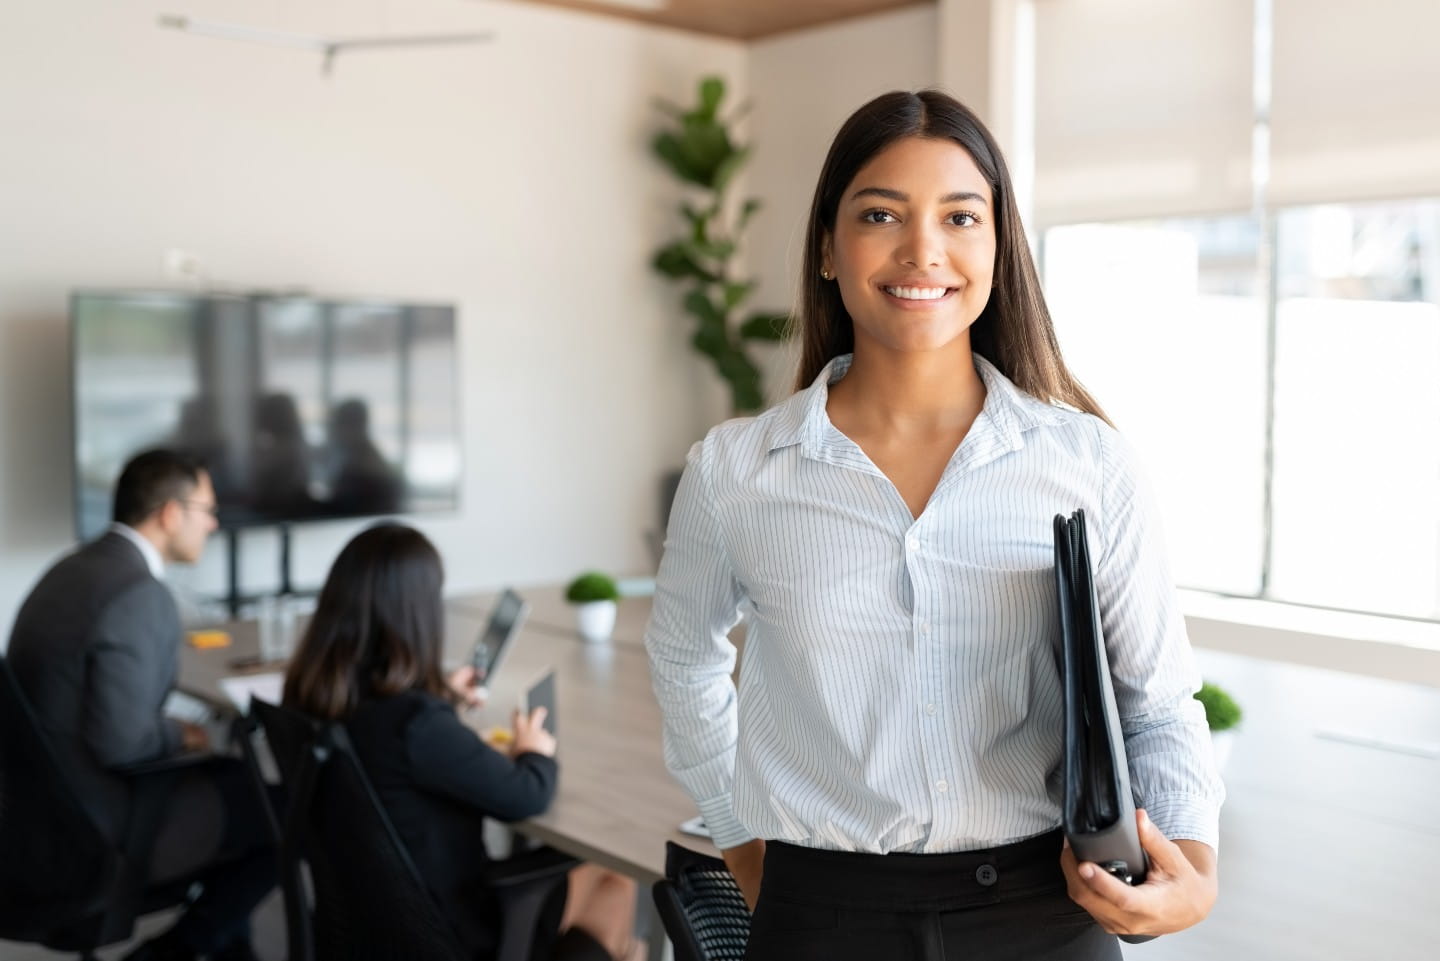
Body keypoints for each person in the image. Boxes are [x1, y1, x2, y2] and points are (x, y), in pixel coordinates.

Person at [644, 90, 1225, 961]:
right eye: (881, 214)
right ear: (829, 250)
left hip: (1045, 912)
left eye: (961, 216)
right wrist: (740, 839)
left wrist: (1196, 866)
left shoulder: (1087, 461)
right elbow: (684, 659)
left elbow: (1155, 699)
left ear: (997, 248)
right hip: (820, 915)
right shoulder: (736, 470)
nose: (924, 250)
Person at [282, 524, 636, 961]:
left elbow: (389, 727)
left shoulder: (311, 696)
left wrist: (441, 694)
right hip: (445, 931)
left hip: (364, 923)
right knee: (615, 880)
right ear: (417, 614)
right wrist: (534, 751)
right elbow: (526, 795)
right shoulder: (417, 725)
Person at [7, 448, 275, 961]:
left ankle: (219, 946)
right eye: (205, 510)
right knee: (283, 806)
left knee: (235, 783)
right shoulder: (139, 593)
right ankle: (176, 950)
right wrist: (183, 735)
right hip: (103, 821)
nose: (214, 524)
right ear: (171, 514)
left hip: (41, 810)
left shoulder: (69, 570)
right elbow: (124, 744)